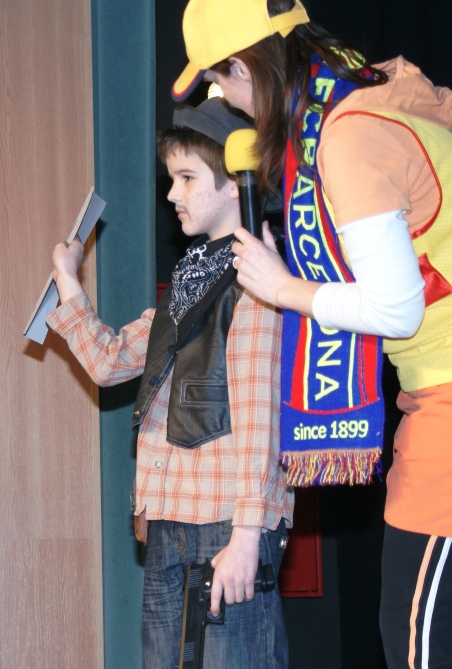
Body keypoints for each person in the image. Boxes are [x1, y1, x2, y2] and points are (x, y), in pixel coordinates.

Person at [171, 1, 452, 667]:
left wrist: (284, 287)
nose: (226, 101)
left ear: (245, 67)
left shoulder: (349, 136)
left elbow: (397, 309)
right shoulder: (360, 103)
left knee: (427, 647)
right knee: (419, 637)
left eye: (219, 82)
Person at [47, 96, 294, 669]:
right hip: (172, 520)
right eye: (171, 178)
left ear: (234, 185)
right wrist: (69, 284)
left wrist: (247, 534)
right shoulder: (190, 279)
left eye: (187, 178)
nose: (171, 194)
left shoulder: (258, 274)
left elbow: (259, 413)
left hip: (226, 519)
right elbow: (111, 362)